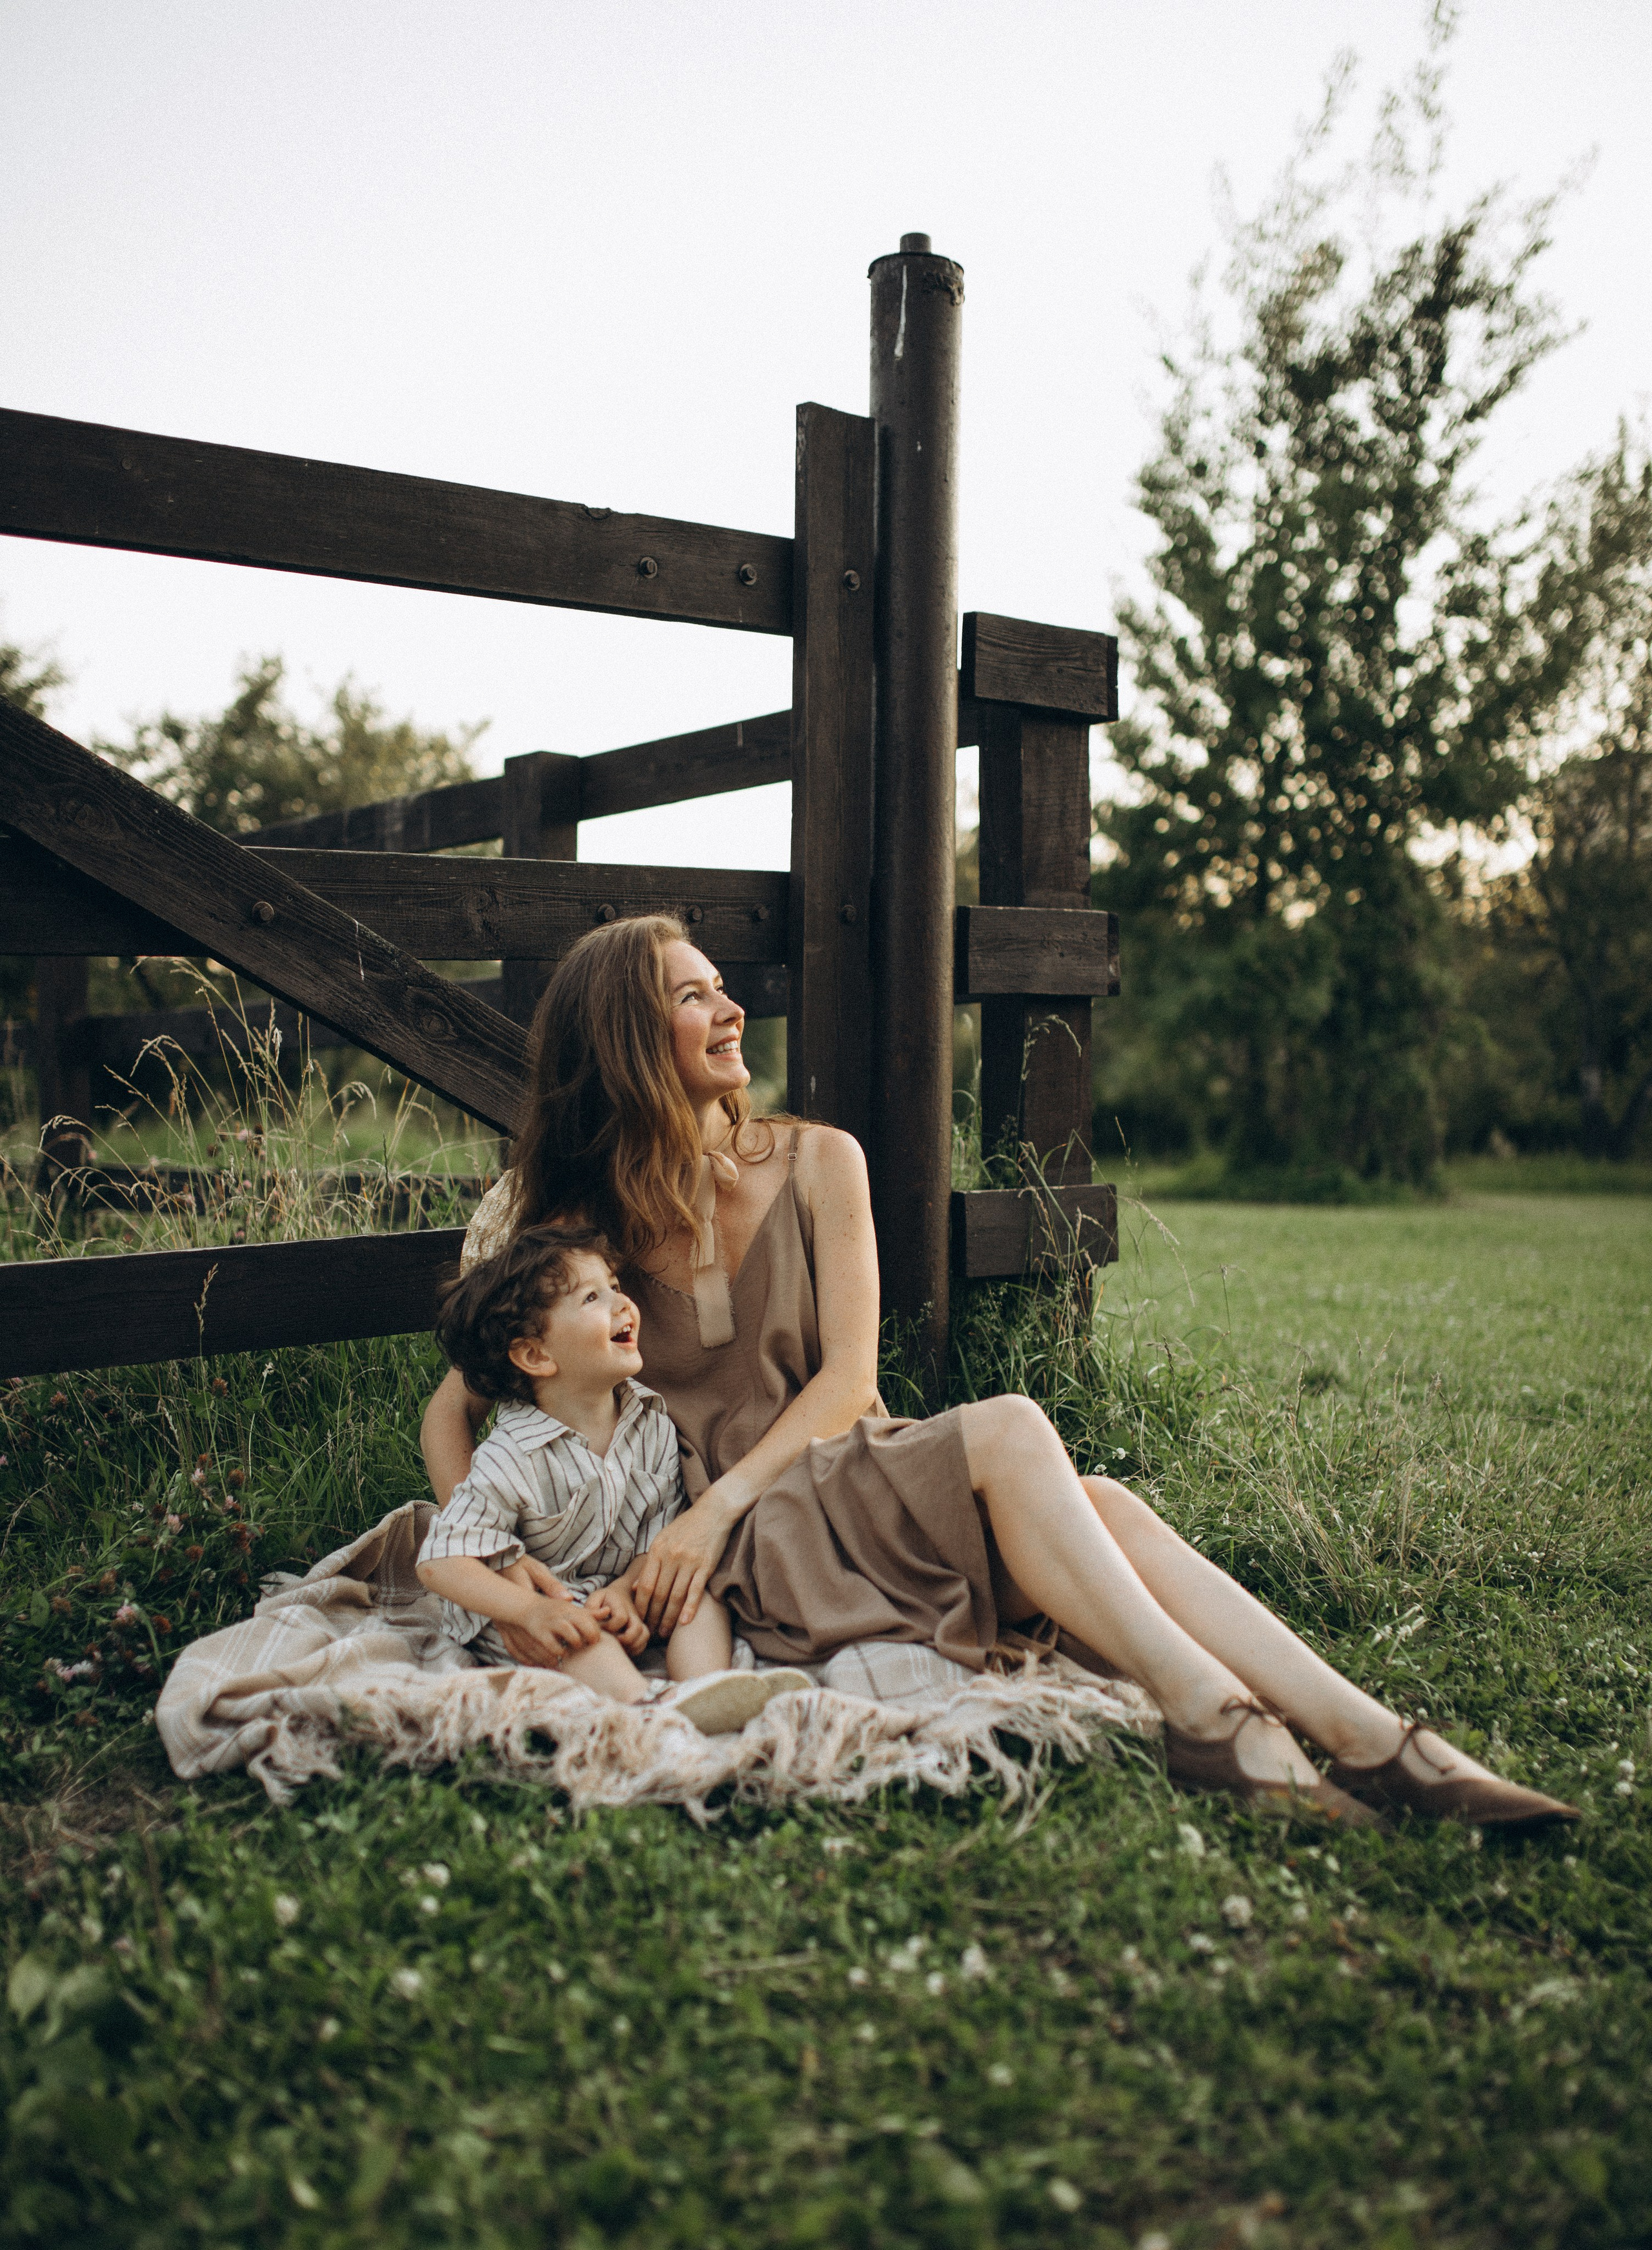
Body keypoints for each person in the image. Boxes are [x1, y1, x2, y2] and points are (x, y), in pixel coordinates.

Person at [421, 914, 1575, 1831]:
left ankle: (1352, 1733)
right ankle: (1254, 1727)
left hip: (826, 1475)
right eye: (693, 995)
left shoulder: (823, 1159)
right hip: (736, 1551)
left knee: (1097, 1502)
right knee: (1032, 1444)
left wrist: (709, 1513)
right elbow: (453, 1411)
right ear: (630, 1037)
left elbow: (849, 1382)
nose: (731, 1010)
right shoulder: (569, 1222)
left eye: (724, 985)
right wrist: (505, 1558)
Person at [417, 1220, 811, 1735]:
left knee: (695, 1590)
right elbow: (441, 1561)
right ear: (536, 1354)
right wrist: (530, 1610)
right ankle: (644, 1707)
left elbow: (658, 1532)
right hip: (543, 1607)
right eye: (592, 1298)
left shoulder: (649, 1421)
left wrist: (629, 1588)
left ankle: (705, 1689)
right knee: (581, 1636)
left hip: (612, 1589)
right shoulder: (512, 1454)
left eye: (617, 1288)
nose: (624, 1306)